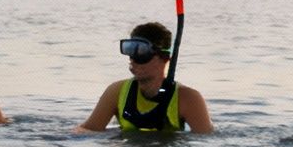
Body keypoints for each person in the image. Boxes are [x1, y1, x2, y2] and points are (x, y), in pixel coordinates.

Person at [78, 22, 214, 134]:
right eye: (130, 50)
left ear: (165, 58)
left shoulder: (188, 99)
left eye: (142, 52)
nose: (133, 59)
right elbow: (87, 130)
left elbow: (207, 141)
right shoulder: (116, 92)